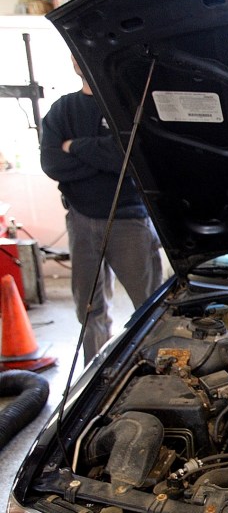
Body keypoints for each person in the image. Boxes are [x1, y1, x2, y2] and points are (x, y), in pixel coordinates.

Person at [40, 56, 163, 364]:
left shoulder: (126, 107)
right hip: (80, 220)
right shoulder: (62, 109)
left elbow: (127, 160)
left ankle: (154, 370)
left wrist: (74, 147)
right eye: (72, 53)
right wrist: (102, 156)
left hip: (130, 221)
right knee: (89, 309)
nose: (77, 58)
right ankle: (95, 371)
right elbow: (52, 163)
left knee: (150, 307)